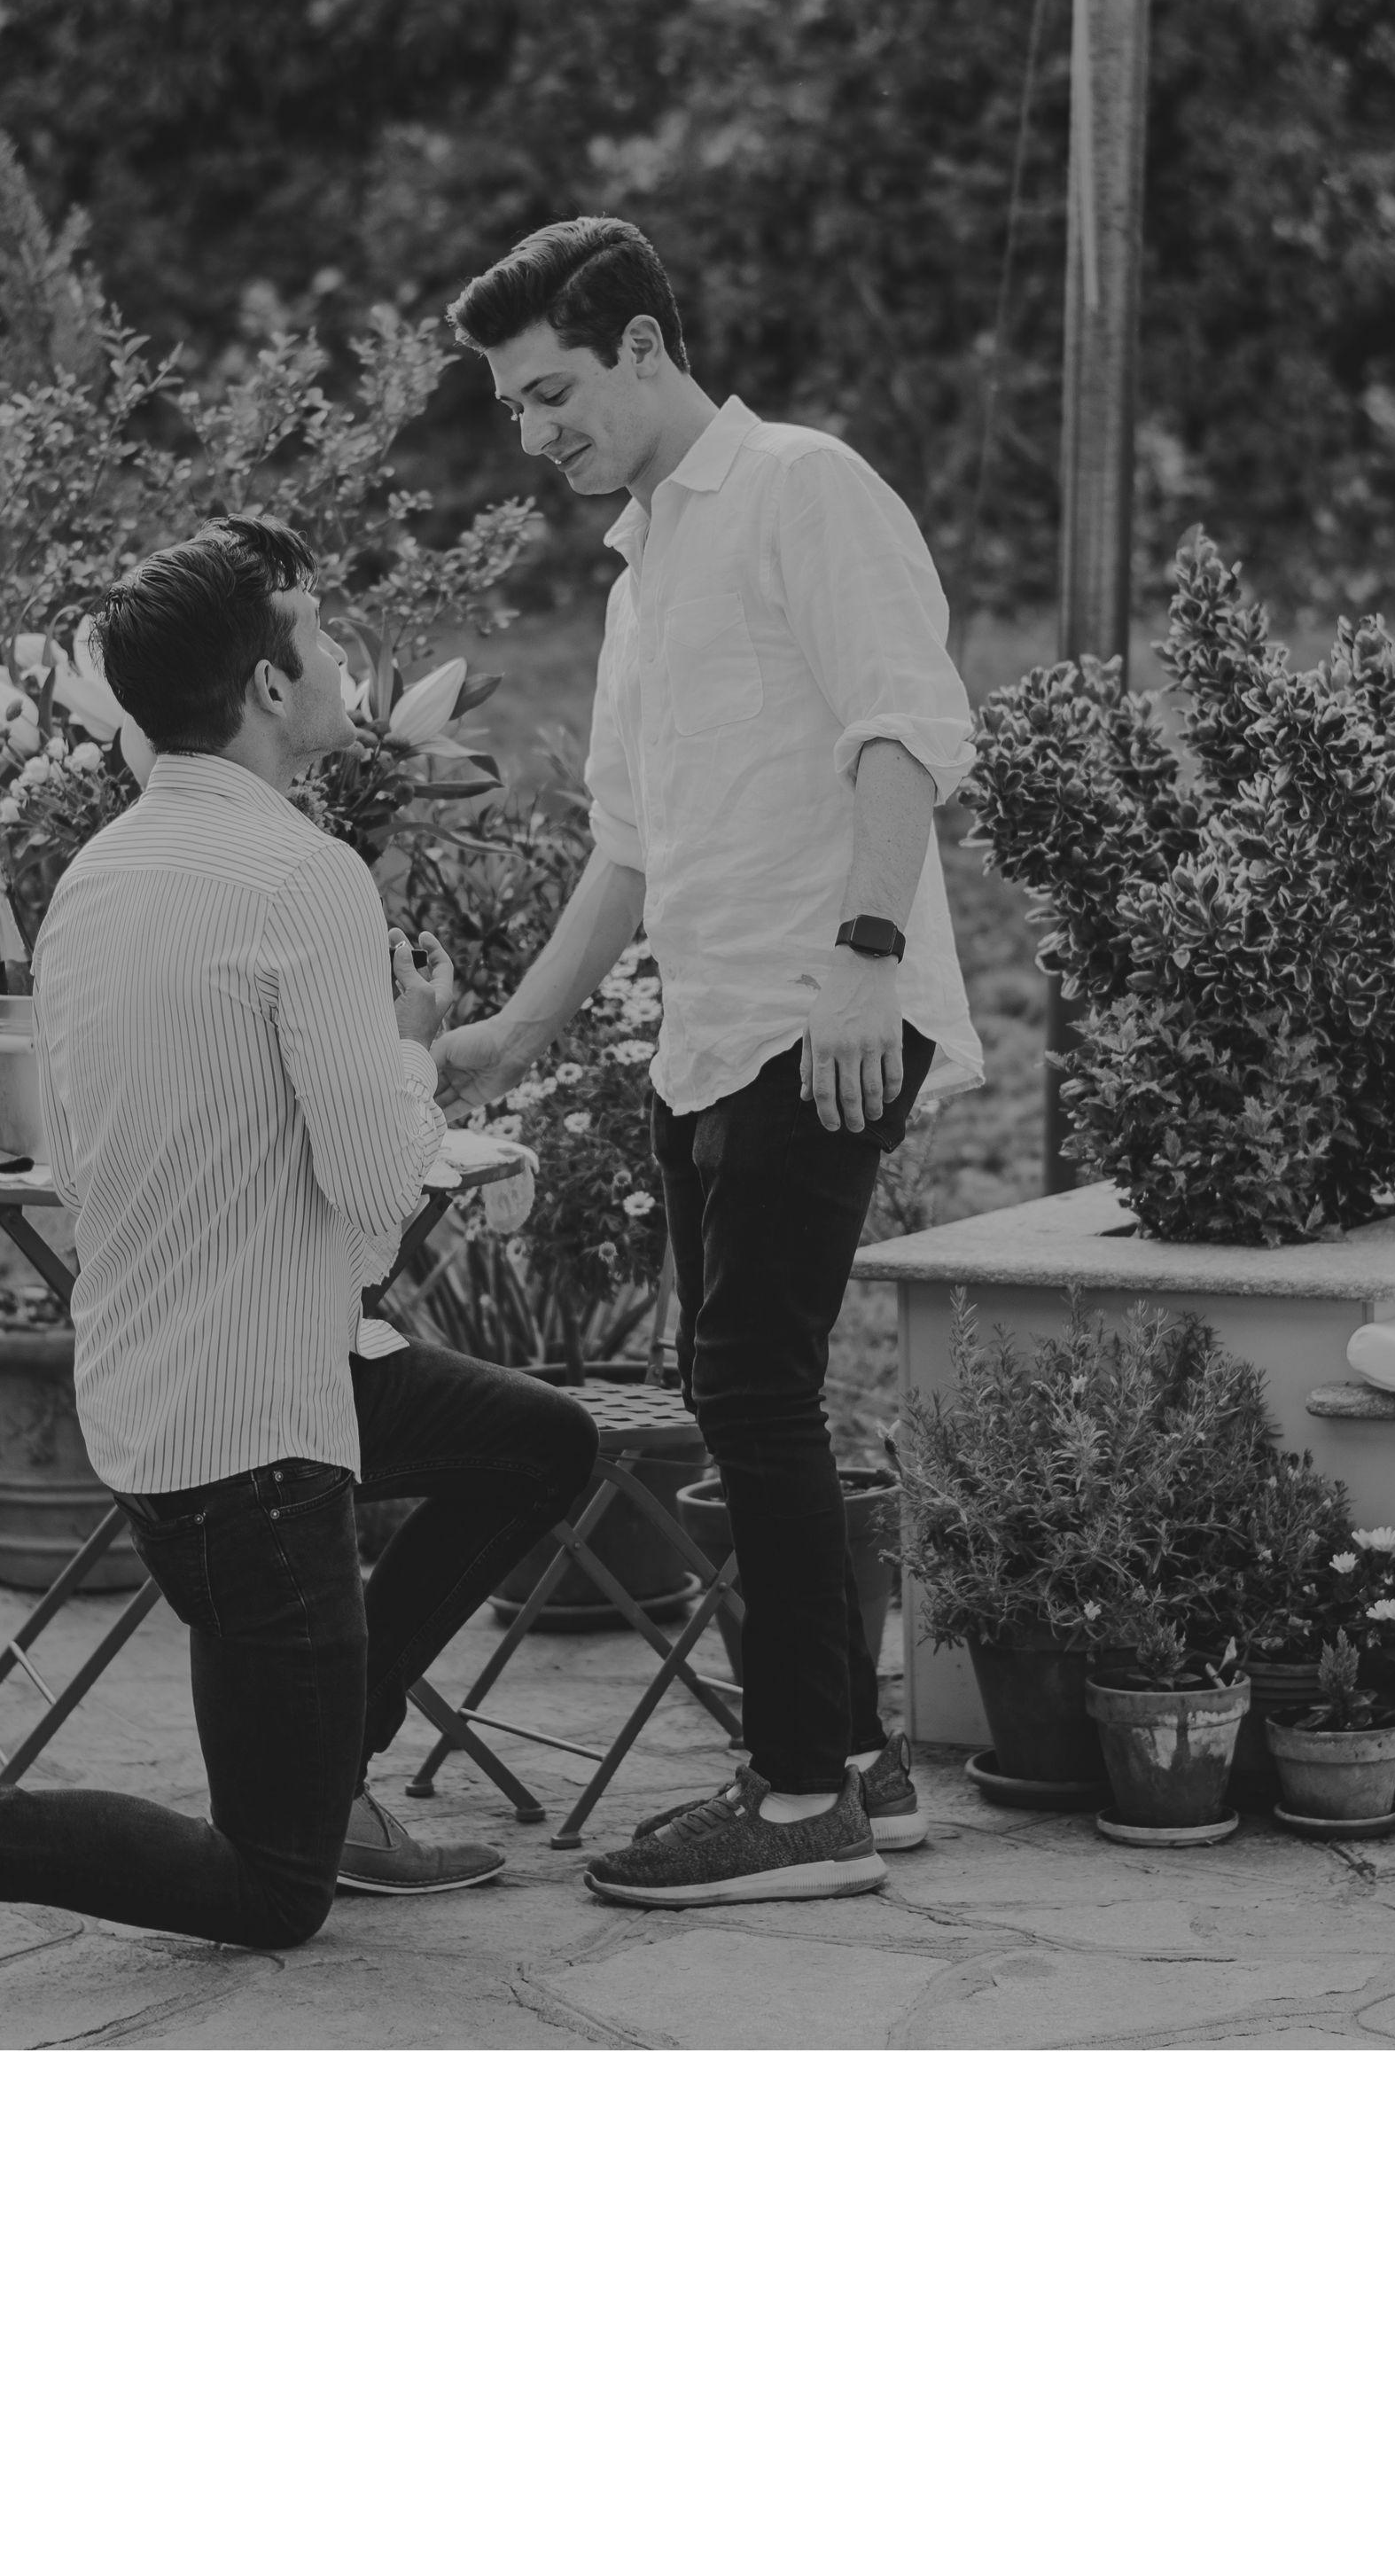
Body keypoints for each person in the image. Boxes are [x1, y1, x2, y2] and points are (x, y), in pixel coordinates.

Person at [0, 515, 599, 2006]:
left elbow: (83, 1153)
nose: (341, 657)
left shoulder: (100, 873)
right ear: (268, 686)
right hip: (253, 1451)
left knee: (539, 1443)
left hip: (183, 1392)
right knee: (270, 1892)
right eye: (319, 633)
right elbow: (377, 1192)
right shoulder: (304, 879)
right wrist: (407, 1049)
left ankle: (332, 1751)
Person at [439, 216, 986, 1910]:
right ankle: (855, 1769)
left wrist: (865, 962)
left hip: (823, 1012)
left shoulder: (805, 489)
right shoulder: (645, 573)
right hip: (712, 1033)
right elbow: (630, 844)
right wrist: (517, 1032)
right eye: (514, 409)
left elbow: (906, 726)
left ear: (645, 346)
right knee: (745, 1394)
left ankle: (802, 1796)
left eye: (553, 393)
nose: (534, 436)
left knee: (751, 1389)